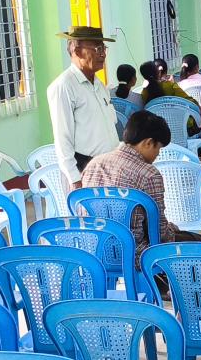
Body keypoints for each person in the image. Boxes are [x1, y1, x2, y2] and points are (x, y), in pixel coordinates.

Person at [78, 110, 189, 258]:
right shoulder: (149, 174)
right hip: (134, 254)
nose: (157, 154)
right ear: (148, 142)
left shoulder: (94, 163)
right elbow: (159, 232)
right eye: (158, 148)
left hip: (94, 252)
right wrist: (173, 231)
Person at [47, 25, 118, 186]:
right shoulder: (64, 86)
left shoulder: (99, 85)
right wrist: (75, 180)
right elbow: (62, 139)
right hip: (83, 171)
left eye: (104, 48)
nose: (102, 54)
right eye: (97, 48)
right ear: (77, 51)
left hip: (108, 170)